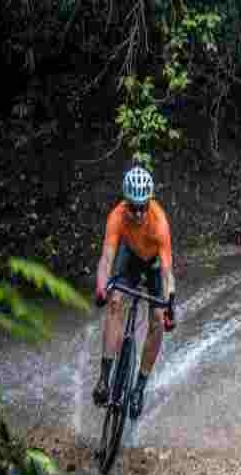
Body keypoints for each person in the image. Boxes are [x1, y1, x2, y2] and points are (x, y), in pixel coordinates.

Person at [93, 165, 176, 419]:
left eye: (143, 206)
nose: (139, 213)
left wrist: (170, 302)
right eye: (133, 206)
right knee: (116, 302)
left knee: (158, 321)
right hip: (128, 257)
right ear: (125, 202)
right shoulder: (117, 216)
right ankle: (104, 378)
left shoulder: (159, 222)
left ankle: (139, 388)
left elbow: (166, 271)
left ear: (149, 201)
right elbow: (107, 258)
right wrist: (101, 286)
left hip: (153, 265)